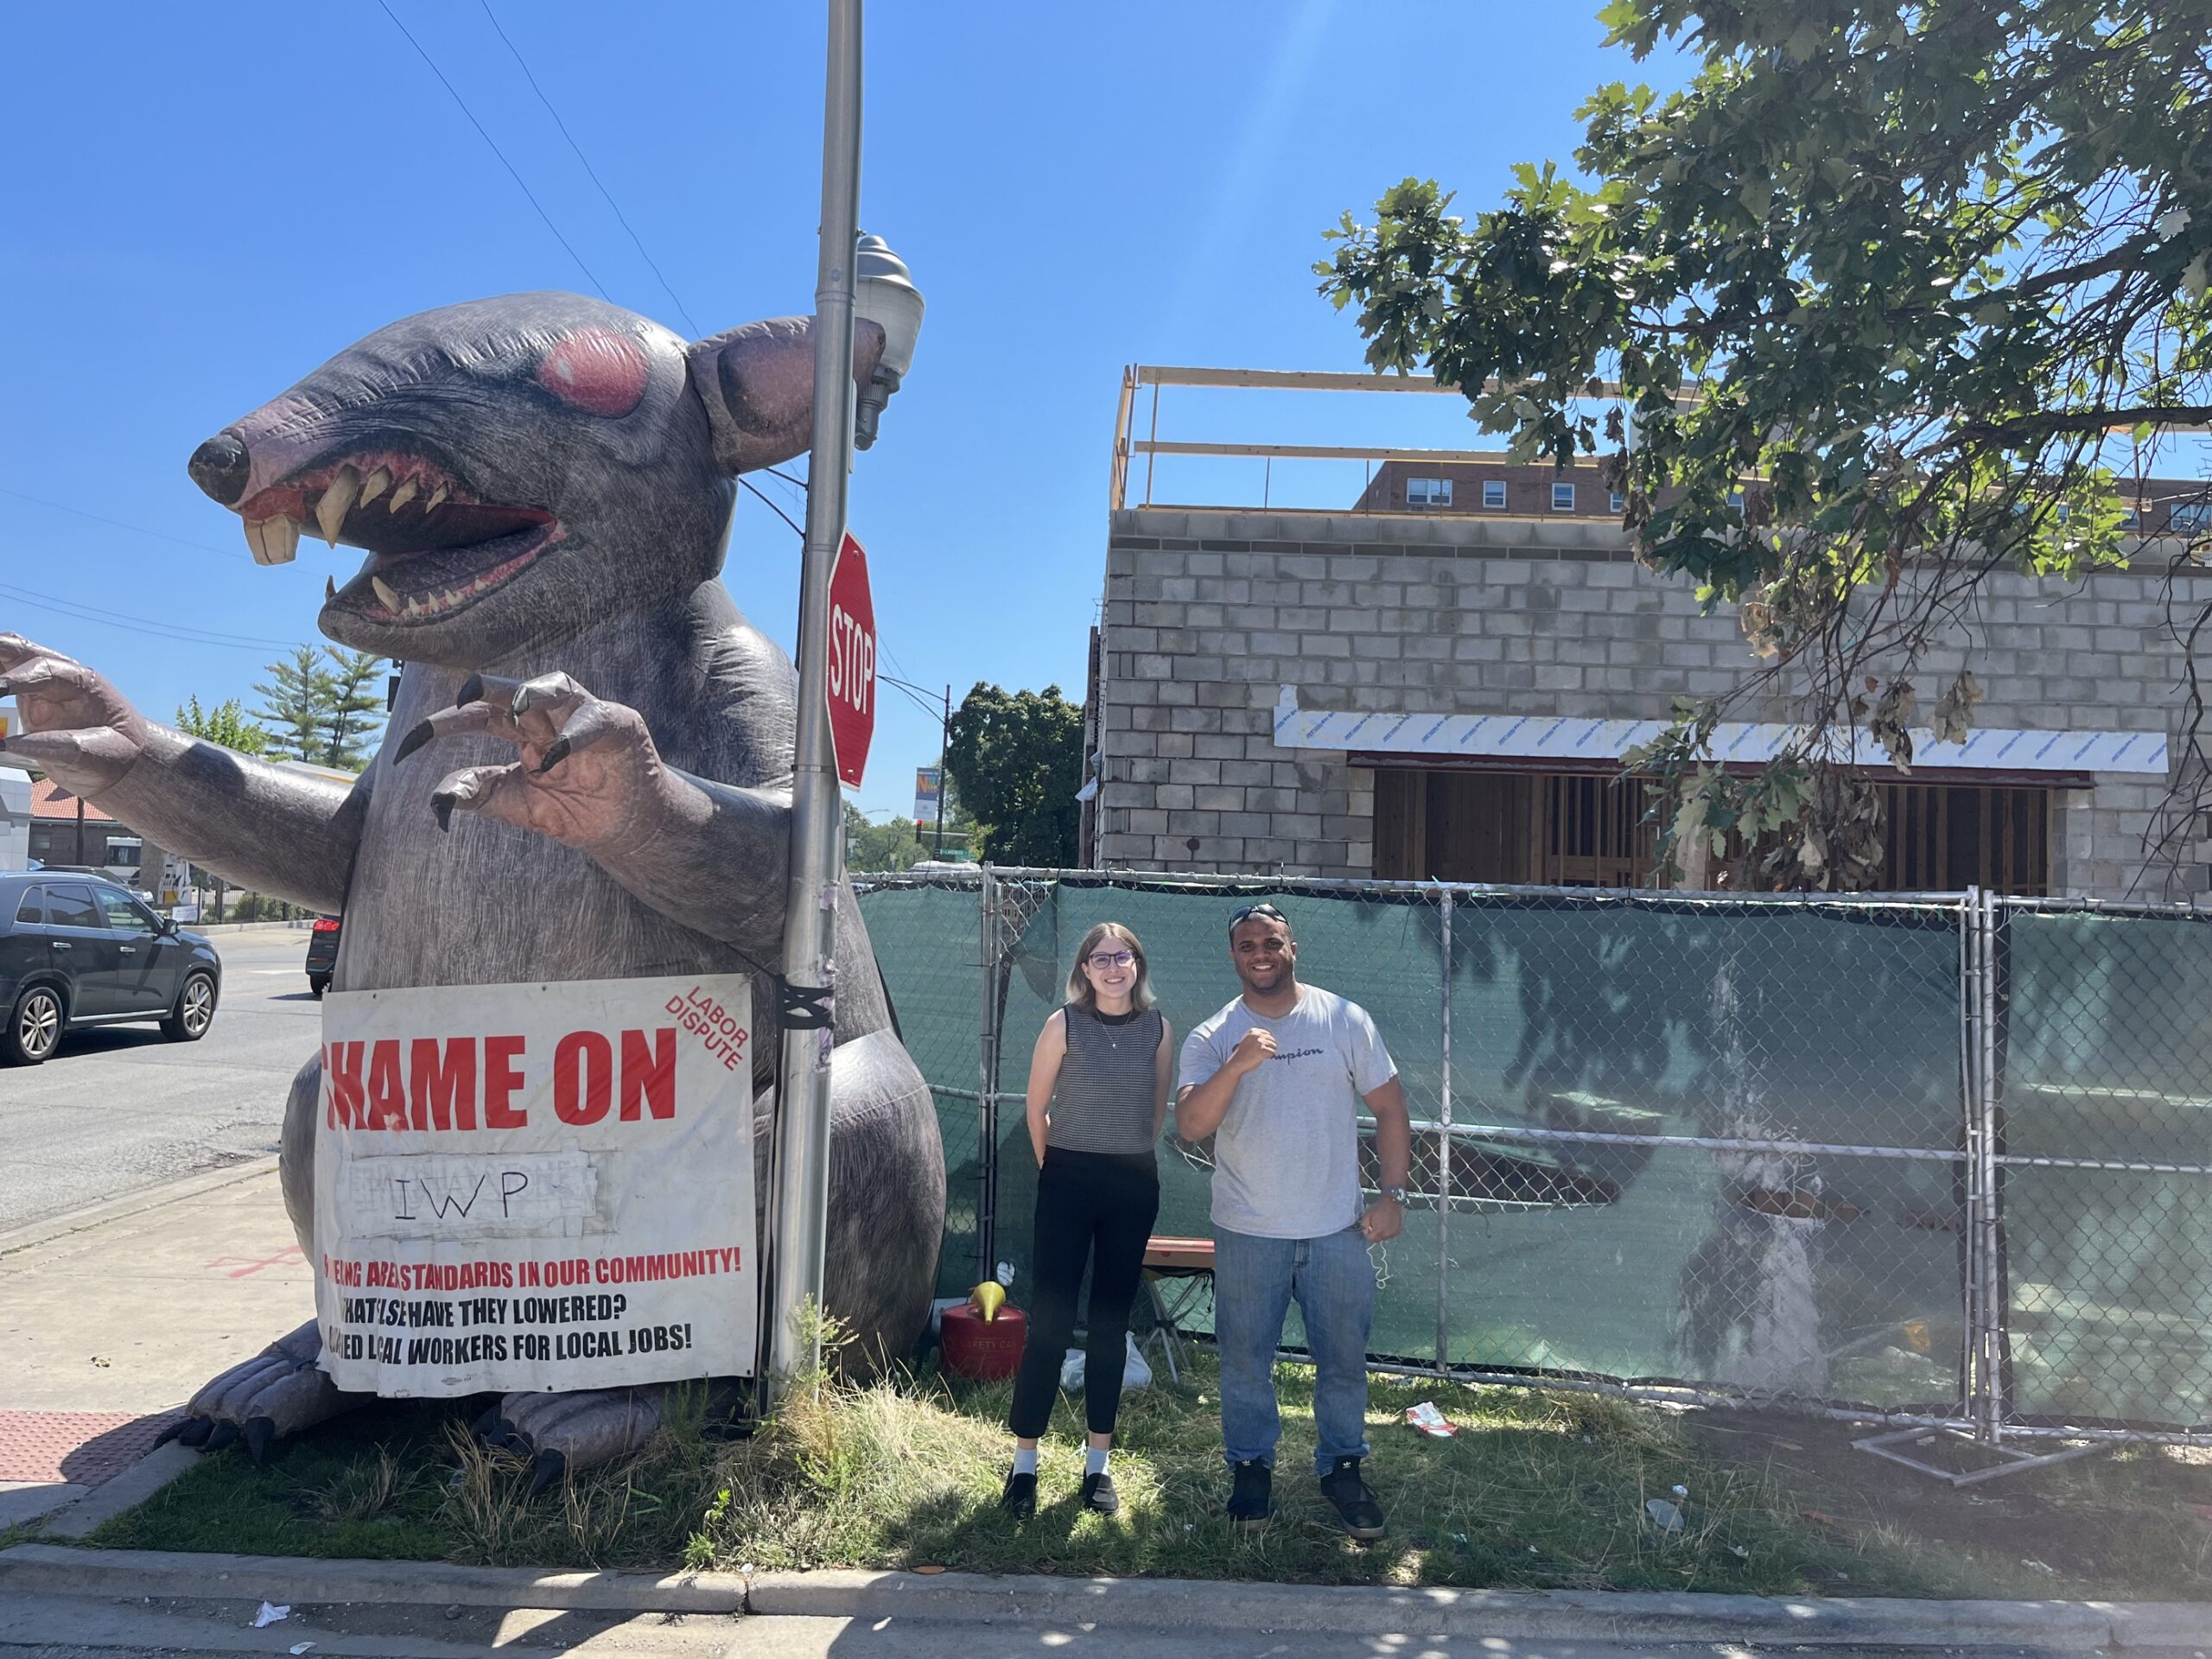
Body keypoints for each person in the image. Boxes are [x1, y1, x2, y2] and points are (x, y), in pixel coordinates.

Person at [1175, 901, 1411, 1539]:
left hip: (1337, 1229)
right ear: (1234, 956)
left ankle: (1342, 1468)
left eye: (1272, 942)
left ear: (1293, 948)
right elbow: (1191, 1126)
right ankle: (1251, 1468)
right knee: (1244, 1362)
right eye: (1248, 945)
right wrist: (1237, 1064)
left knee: (1343, 1359)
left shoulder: (1343, 1019)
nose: (1261, 953)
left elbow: (1391, 1108)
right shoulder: (1213, 1035)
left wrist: (1392, 1194)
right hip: (1248, 1231)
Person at [999, 922, 1173, 1518]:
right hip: (1066, 1183)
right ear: (1084, 970)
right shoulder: (1063, 1024)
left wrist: (1124, 1158)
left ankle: (1097, 1465)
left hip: (1132, 1186)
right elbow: (1036, 1109)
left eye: (1123, 957)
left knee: (1109, 1327)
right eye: (1101, 958)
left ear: (1138, 965)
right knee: (1049, 1324)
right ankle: (1024, 1464)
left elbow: (1154, 1111)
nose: (1113, 968)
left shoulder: (1158, 1028)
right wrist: (1059, 1169)